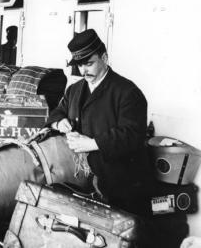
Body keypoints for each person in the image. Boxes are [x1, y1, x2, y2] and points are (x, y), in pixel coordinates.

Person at [46, 29, 154, 217]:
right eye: (79, 65)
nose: (83, 71)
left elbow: (132, 134)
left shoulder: (127, 92)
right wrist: (60, 123)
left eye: (89, 64)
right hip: (87, 184)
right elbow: (56, 113)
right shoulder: (74, 90)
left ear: (104, 57)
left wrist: (92, 143)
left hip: (122, 186)